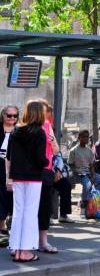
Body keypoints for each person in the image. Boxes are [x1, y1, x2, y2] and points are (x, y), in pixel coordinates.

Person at [6, 99, 49, 262]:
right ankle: (25, 251)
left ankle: (16, 248)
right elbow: (40, 159)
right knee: (30, 214)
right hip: (33, 178)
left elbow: (9, 156)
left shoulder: (15, 131)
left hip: (17, 176)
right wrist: (47, 162)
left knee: (18, 213)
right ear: (39, 114)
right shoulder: (39, 132)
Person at [68, 130, 100, 217]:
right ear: (79, 138)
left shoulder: (89, 151)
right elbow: (70, 164)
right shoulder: (73, 150)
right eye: (83, 137)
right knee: (88, 184)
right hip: (79, 174)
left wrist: (93, 175)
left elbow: (91, 165)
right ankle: (83, 207)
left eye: (87, 137)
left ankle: (89, 199)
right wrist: (76, 171)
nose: (86, 139)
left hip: (89, 173)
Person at [37, 101, 59, 254]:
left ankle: (43, 241)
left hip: (46, 171)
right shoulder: (24, 127)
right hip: (29, 172)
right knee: (29, 209)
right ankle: (26, 242)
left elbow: (56, 150)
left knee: (45, 207)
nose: (47, 114)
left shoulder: (47, 126)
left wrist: (51, 142)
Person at [0, 105, 18, 235]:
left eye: (15, 115)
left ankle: (7, 221)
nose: (12, 118)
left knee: (10, 196)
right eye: (9, 115)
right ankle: (1, 224)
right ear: (3, 115)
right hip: (0, 163)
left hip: (15, 166)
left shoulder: (20, 130)